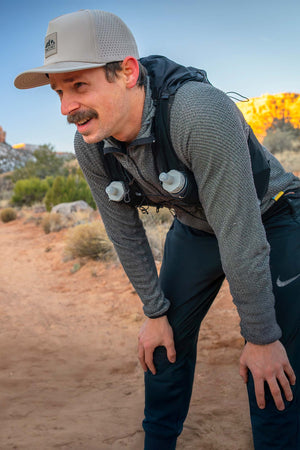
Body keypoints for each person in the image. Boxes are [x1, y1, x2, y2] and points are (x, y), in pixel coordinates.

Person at [15, 10, 300, 450]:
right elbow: (123, 232)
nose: (65, 107)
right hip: (195, 226)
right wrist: (153, 313)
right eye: (59, 92)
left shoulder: (198, 113)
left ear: (127, 72)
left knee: (274, 359)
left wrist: (260, 335)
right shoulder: (90, 142)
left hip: (270, 217)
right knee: (163, 342)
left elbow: (241, 234)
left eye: (79, 86)